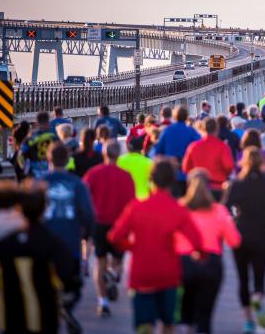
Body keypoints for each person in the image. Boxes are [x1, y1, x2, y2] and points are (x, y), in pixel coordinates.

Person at [108, 158, 203, 334]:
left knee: (144, 324)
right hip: (168, 273)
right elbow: (197, 242)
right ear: (172, 181)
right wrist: (198, 256)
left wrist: (132, 246)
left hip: (141, 273)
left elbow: (115, 236)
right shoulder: (177, 209)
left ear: (151, 179)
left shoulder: (136, 207)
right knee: (168, 322)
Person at [0, 181, 78, 334]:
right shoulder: (52, 243)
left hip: (11, 320)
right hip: (46, 320)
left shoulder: (5, 244)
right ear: (44, 209)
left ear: (19, 209)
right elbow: (68, 277)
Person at [224, 147, 265, 334]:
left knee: (243, 278)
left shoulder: (236, 184)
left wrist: (235, 216)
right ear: (261, 163)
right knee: (259, 275)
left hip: (240, 234)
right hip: (260, 233)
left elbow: (224, 207)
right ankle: (258, 296)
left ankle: (248, 320)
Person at [176, 169, 241, 334]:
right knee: (204, 316)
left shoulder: (180, 209)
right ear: (210, 187)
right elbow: (234, 241)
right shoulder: (218, 211)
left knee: (186, 313)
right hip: (211, 264)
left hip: (184, 264)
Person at [42, 142, 95, 329]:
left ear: (48, 159)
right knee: (74, 285)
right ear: (67, 160)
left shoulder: (38, 183)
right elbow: (88, 214)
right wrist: (86, 236)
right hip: (69, 245)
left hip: (43, 245)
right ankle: (66, 306)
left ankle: (50, 312)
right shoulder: (78, 185)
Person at [83, 141, 136, 317]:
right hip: (119, 224)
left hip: (99, 223)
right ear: (118, 155)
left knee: (99, 261)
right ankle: (113, 276)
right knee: (119, 260)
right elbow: (131, 202)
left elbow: (85, 198)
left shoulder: (93, 174)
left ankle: (102, 302)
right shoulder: (126, 176)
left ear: (104, 154)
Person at [182, 117, 235, 202]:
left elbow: (186, 168)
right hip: (217, 186)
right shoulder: (222, 146)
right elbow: (229, 166)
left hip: (198, 188)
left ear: (202, 129)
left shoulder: (193, 146)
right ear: (216, 130)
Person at [153, 106, 201, 197]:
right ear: (186, 116)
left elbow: (157, 152)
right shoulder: (191, 131)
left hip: (171, 174)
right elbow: (200, 147)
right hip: (188, 174)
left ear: (174, 116)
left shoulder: (167, 131)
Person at [21, 111, 58, 179]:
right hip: (51, 171)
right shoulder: (54, 137)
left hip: (34, 172)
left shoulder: (31, 138)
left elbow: (22, 154)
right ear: (48, 122)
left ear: (37, 122)